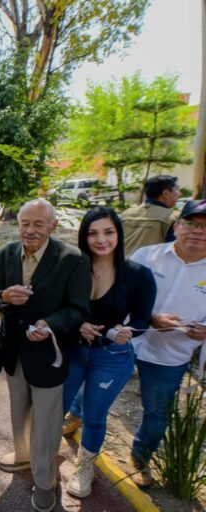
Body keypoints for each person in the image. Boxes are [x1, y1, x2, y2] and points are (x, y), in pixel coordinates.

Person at [0, 198, 90, 512]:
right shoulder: (4, 254)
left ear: (53, 226)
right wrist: (4, 296)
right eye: (25, 223)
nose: (30, 230)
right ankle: (23, 457)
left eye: (38, 224)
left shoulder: (72, 259)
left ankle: (46, 481)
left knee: (47, 422)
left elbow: (77, 310)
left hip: (49, 353)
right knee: (19, 411)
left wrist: (50, 325)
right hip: (13, 350)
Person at [58, 207, 155, 497]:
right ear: (84, 236)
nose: (101, 239)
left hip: (111, 357)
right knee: (55, 407)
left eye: (108, 232)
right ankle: (43, 456)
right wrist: (79, 326)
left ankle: (84, 466)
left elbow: (142, 320)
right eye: (93, 233)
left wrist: (125, 332)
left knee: (95, 415)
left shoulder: (138, 274)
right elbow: (59, 308)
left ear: (119, 234)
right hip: (72, 351)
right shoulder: (72, 267)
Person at [126, 199, 206, 489]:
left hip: (170, 354)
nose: (198, 231)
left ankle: (140, 459)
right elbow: (121, 294)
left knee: (157, 411)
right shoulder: (147, 256)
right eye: (191, 224)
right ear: (176, 226)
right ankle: (76, 416)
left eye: (205, 227)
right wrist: (150, 317)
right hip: (126, 341)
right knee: (93, 389)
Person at [121, 175, 180, 256]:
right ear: (166, 193)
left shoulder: (126, 213)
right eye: (177, 189)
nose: (180, 193)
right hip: (153, 267)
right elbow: (174, 252)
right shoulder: (173, 217)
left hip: (123, 265)